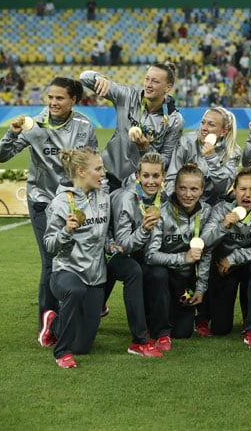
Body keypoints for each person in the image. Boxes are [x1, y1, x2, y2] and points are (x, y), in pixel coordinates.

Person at [0, 77, 98, 333]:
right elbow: (1, 156)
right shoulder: (34, 124)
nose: (53, 102)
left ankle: (84, 306)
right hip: (41, 200)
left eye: (59, 97)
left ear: (73, 100)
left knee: (78, 258)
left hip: (73, 203)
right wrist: (13, 131)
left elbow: (92, 165)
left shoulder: (84, 126)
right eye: (50, 97)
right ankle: (48, 321)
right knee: (50, 261)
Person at [38, 147, 117, 368]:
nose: (104, 173)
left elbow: (105, 231)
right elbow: (50, 246)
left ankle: (53, 323)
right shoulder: (61, 203)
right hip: (66, 272)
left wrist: (111, 244)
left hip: (95, 277)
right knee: (75, 290)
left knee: (82, 347)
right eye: (98, 169)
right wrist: (66, 231)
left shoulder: (103, 195)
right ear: (81, 171)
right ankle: (61, 353)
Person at [80, 63, 184, 192]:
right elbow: (84, 77)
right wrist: (100, 78)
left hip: (141, 185)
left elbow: (166, 162)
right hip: (109, 178)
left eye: (155, 81)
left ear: (168, 87)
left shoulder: (175, 120)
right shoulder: (127, 96)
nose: (148, 85)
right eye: (147, 79)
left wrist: (145, 149)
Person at [200, 169, 251, 348]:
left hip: (248, 265)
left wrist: (235, 257)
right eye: (242, 189)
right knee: (220, 328)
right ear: (234, 191)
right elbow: (203, 242)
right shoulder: (221, 210)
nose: (247, 195)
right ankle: (204, 316)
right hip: (224, 268)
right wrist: (224, 226)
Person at [105, 152, 168, 356]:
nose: (151, 181)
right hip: (112, 252)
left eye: (156, 176)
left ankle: (160, 332)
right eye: (146, 176)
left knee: (159, 273)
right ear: (138, 176)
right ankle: (139, 341)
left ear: (163, 177)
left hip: (144, 253)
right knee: (134, 271)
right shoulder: (127, 199)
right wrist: (144, 230)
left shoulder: (165, 199)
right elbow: (123, 244)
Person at [145, 163, 212, 346]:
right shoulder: (162, 213)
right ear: (175, 188)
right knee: (157, 274)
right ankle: (161, 332)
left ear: (202, 190)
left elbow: (206, 253)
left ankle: (165, 320)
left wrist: (200, 288)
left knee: (183, 332)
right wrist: (183, 258)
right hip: (163, 278)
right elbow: (150, 255)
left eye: (194, 189)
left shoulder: (207, 213)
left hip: (185, 280)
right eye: (182, 188)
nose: (188, 194)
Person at [165, 106, 240, 205]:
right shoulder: (186, 142)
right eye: (203, 122)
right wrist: (176, 203)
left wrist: (211, 158)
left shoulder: (233, 152)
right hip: (183, 202)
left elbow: (223, 188)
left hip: (213, 206)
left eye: (211, 125)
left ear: (223, 132)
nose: (204, 128)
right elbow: (171, 178)